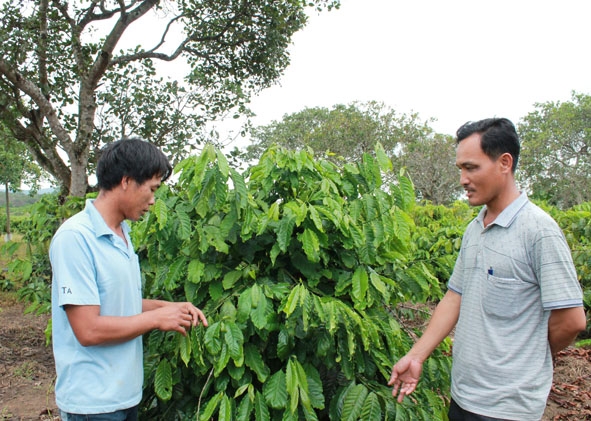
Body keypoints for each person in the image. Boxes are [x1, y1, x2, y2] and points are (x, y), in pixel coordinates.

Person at [388, 118, 587, 420]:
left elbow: (571, 321)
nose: (462, 179)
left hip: (508, 407)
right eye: (460, 169)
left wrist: (527, 351)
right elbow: (455, 296)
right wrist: (416, 356)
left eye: (471, 168)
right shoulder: (475, 229)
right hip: (464, 395)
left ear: (504, 163)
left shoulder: (539, 231)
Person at [50, 138, 208, 421]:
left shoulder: (122, 233)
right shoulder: (76, 238)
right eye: (151, 189)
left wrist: (168, 308)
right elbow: (88, 330)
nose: (153, 200)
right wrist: (157, 320)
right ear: (126, 181)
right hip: (93, 404)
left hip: (124, 395)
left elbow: (119, 301)